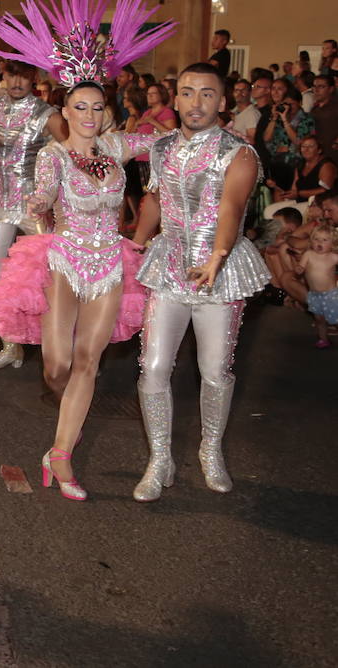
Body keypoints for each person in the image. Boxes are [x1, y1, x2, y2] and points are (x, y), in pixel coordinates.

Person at [0, 0, 178, 499]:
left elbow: (168, 141)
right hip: (65, 258)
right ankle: (60, 422)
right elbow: (43, 195)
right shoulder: (52, 155)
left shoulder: (116, 148)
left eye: (97, 107)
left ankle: (61, 455)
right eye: (81, 108)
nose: (90, 115)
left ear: (105, 111)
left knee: (89, 361)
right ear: (64, 113)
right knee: (57, 367)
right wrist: (36, 207)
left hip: (111, 263)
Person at [132, 62, 269, 501]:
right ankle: (160, 459)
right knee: (153, 367)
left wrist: (217, 255)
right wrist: (135, 244)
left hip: (220, 273)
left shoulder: (239, 153)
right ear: (176, 99)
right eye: (188, 92)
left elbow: (230, 208)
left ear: (223, 102)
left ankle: (211, 449)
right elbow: (154, 202)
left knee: (214, 370)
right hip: (170, 264)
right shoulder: (161, 148)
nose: (196, 102)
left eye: (207, 94)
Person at [0, 54, 67, 370]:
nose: (17, 83)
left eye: (23, 76)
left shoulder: (45, 113)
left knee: (53, 272)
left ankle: (61, 343)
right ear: (3, 77)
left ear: (34, 78)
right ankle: (11, 345)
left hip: (33, 204)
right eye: (11, 76)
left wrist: (55, 192)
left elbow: (71, 151)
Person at [300, 225, 338, 347]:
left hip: (331, 295)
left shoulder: (333, 257)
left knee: (336, 318)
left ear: (333, 243)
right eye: (316, 239)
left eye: (324, 240)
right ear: (311, 241)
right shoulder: (308, 254)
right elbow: (301, 266)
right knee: (319, 319)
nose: (319, 242)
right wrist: (299, 268)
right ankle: (323, 339)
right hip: (314, 294)